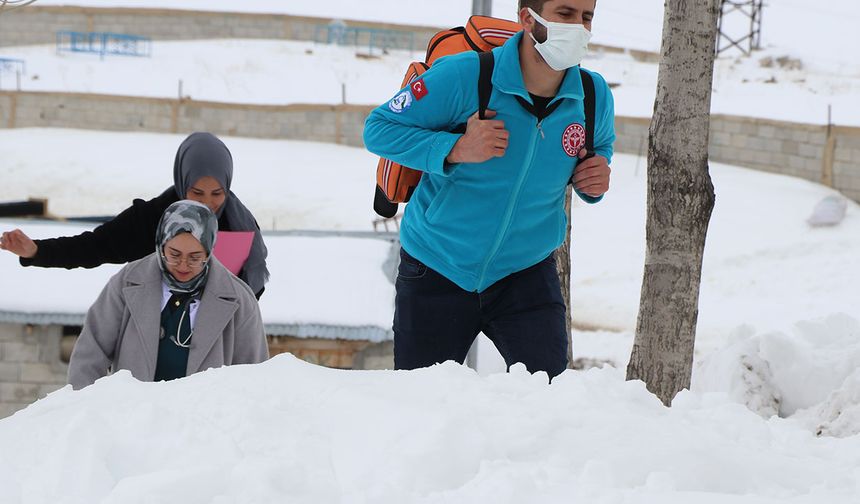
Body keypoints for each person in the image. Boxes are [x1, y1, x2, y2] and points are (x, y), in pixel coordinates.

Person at [362, 0, 615, 379]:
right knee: (424, 408)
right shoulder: (467, 76)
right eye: (565, 14)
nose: (578, 27)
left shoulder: (593, 95)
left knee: (550, 403)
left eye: (586, 17)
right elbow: (379, 128)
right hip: (437, 265)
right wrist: (456, 148)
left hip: (525, 273)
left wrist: (595, 179)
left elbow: (597, 151)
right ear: (527, 18)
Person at [0, 132, 269, 298]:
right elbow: (95, 247)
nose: (207, 203)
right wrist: (36, 250)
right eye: (197, 192)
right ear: (181, 180)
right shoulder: (150, 219)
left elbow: (250, 294)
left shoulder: (241, 226)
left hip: (217, 352)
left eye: (217, 193)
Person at [68, 200, 269, 390]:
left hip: (205, 423)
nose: (183, 265)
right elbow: (90, 353)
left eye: (195, 258)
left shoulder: (240, 300)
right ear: (161, 244)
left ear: (208, 251)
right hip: (133, 419)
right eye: (174, 254)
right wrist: (89, 413)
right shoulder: (126, 283)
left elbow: (253, 376)